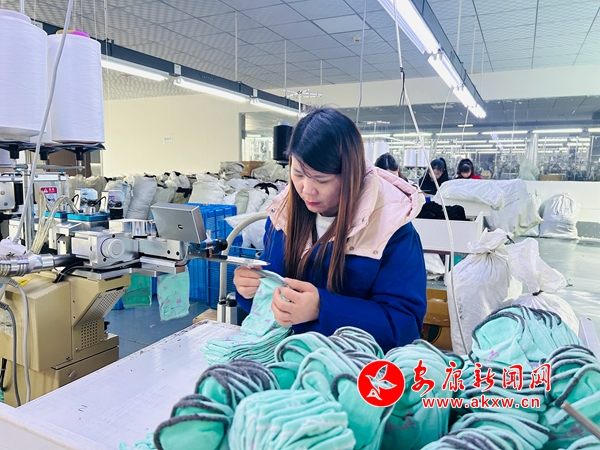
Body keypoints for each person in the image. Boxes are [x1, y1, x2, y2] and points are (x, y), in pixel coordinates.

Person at [233, 107, 427, 352]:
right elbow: (273, 294)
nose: (306, 189)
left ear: (351, 175)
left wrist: (323, 309)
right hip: (287, 357)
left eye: (321, 180)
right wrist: (250, 291)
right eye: (298, 174)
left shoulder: (391, 229)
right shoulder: (283, 216)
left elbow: (405, 325)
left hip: (352, 366)